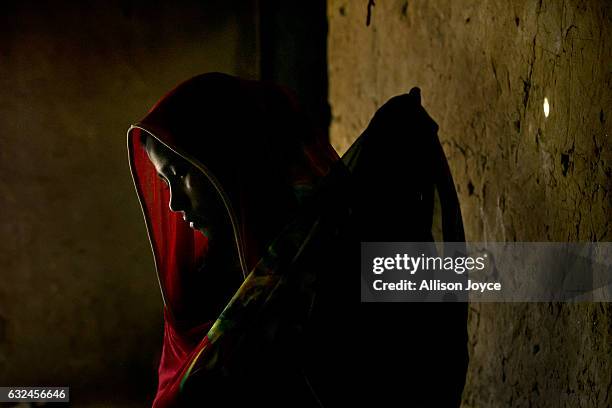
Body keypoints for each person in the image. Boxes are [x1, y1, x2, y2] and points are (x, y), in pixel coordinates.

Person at [127, 72, 468, 407]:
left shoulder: (332, 257)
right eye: (164, 180)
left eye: (180, 174)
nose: (173, 202)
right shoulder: (199, 284)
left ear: (229, 159)